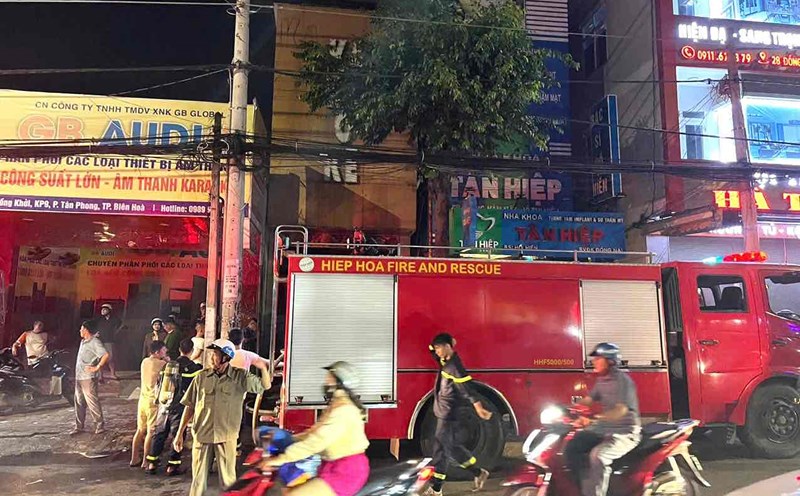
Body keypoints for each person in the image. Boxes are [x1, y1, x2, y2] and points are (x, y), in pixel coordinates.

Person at [173, 339, 272, 496]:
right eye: (211, 354)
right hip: (202, 435)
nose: (212, 358)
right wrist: (180, 433)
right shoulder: (201, 377)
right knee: (197, 481)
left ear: (226, 357)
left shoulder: (240, 378)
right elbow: (190, 405)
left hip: (226, 436)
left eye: (216, 355)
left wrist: (263, 368)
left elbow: (264, 386)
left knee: (228, 481)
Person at [261, 361, 370, 496]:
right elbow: (313, 434)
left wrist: (281, 459)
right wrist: (289, 439)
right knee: (287, 489)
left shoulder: (344, 410)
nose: (325, 382)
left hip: (346, 472)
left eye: (329, 379)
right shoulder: (336, 406)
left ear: (340, 383)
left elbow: (316, 442)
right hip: (331, 466)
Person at [567, 343, 641, 496]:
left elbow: (620, 410)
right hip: (605, 430)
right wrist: (569, 408)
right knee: (573, 444)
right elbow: (589, 399)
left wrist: (594, 419)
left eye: (598, 358)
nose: (594, 361)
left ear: (611, 361)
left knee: (598, 456)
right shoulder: (602, 380)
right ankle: (581, 486)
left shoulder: (623, 381)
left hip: (625, 433)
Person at [424, 333, 492, 496]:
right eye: (436, 348)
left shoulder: (454, 366)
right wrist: (433, 345)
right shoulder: (444, 360)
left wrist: (478, 406)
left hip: (449, 414)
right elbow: (432, 352)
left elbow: (466, 388)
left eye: (440, 348)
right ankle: (478, 472)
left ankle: (436, 488)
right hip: (444, 411)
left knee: (440, 450)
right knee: (452, 447)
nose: (437, 351)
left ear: (448, 347)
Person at [146, 338, 202, 476]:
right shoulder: (193, 368)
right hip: (180, 407)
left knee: (159, 434)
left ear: (179, 350)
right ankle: (172, 465)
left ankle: (152, 463)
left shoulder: (168, 365)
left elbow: (159, 384)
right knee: (178, 435)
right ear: (192, 350)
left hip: (164, 405)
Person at [131, 340, 169, 468]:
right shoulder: (161, 363)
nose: (166, 352)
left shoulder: (145, 362)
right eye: (164, 350)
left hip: (142, 400)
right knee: (151, 432)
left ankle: (134, 458)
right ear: (157, 352)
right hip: (153, 402)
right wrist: (167, 360)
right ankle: (145, 461)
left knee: (140, 430)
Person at [71, 320, 109, 435]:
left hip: (88, 377)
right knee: (79, 401)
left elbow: (105, 355)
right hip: (79, 376)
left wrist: (97, 367)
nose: (80, 331)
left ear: (86, 330)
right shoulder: (83, 342)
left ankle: (99, 425)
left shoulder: (94, 342)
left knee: (92, 401)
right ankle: (79, 426)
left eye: (82, 329)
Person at [96, 303, 122, 380]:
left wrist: (116, 333)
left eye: (104, 309)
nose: (102, 311)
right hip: (100, 341)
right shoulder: (99, 319)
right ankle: (100, 375)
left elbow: (120, 325)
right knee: (100, 358)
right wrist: (95, 333)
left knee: (111, 358)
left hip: (109, 340)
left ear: (109, 311)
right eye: (102, 309)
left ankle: (112, 374)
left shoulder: (114, 319)